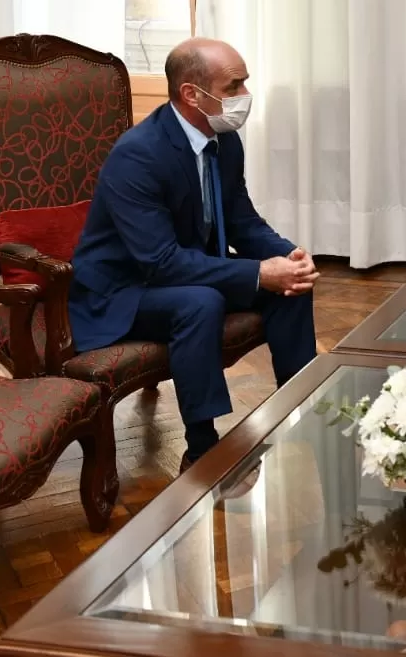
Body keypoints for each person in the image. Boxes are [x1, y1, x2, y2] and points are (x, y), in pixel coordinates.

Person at [69, 38, 319, 470]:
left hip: (183, 270)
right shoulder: (138, 155)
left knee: (291, 284)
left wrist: (288, 256)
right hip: (125, 290)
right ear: (191, 94)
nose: (244, 97)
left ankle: (301, 407)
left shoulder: (222, 140)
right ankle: (202, 447)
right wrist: (260, 273)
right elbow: (159, 262)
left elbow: (242, 221)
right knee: (200, 300)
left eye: (244, 84)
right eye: (234, 86)